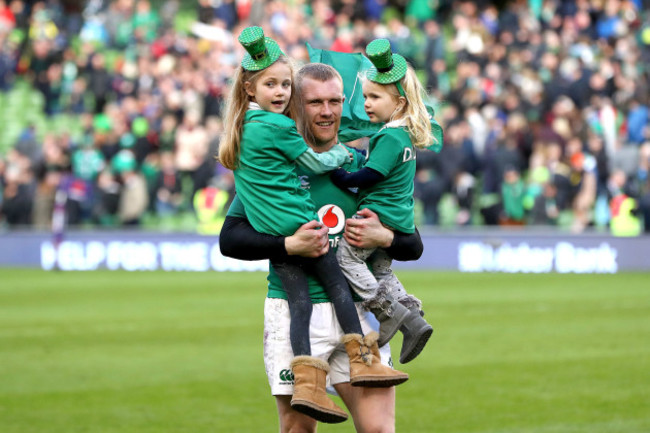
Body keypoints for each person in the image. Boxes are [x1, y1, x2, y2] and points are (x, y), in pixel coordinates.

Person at [219, 62, 424, 433]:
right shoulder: (271, 171)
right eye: (315, 102)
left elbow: (413, 245)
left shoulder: (364, 166)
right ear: (295, 103)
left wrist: (384, 238)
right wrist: (287, 244)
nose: (327, 111)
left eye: (335, 101)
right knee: (298, 430)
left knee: (378, 430)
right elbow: (230, 238)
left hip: (359, 312)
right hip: (294, 307)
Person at [329, 39, 434, 364]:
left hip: (379, 215)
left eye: (374, 97)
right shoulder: (401, 136)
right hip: (397, 219)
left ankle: (388, 313)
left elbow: (372, 175)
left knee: (346, 259)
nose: (367, 104)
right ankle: (413, 318)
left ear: (400, 103)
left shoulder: (388, 136)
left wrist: (344, 177)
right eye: (364, 97)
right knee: (382, 270)